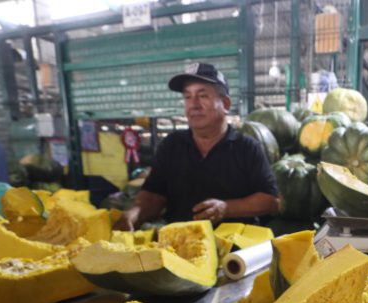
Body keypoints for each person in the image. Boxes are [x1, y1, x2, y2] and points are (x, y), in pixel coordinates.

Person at [114, 63, 279, 230]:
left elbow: (271, 201)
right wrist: (134, 214)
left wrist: (226, 208)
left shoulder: (247, 147)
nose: (193, 104)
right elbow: (154, 194)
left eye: (203, 95)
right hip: (178, 246)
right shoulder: (171, 145)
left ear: (226, 104)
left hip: (234, 250)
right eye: (187, 97)